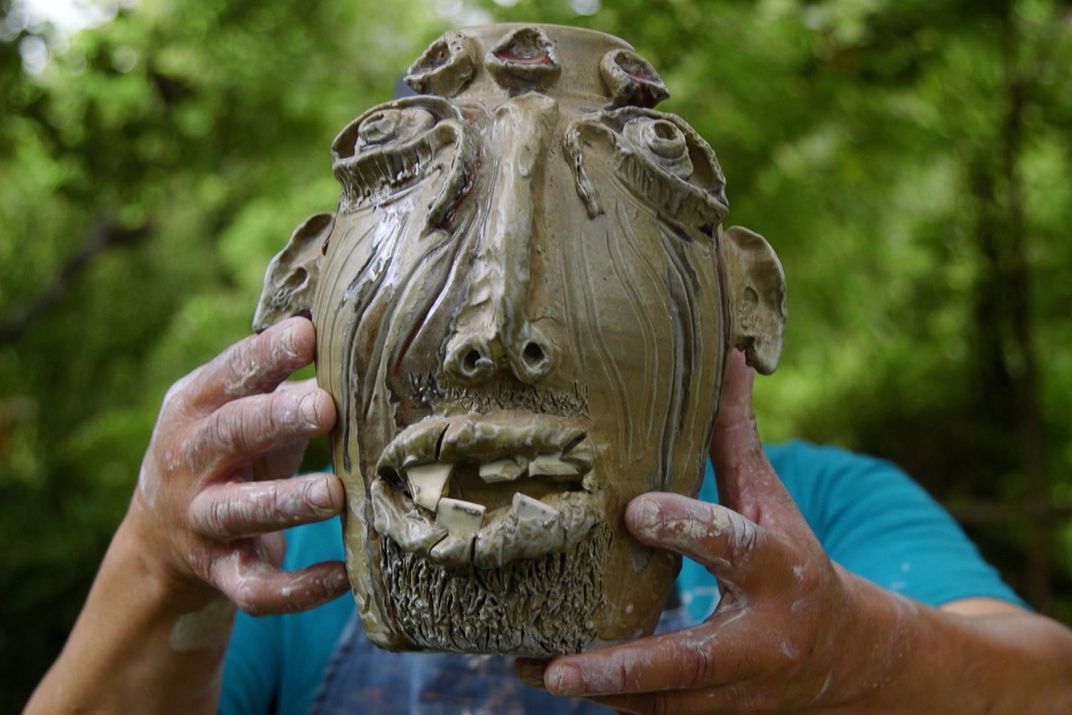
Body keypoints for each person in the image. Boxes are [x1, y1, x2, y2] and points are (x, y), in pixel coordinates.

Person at [24, 316, 1072, 714]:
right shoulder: (283, 553)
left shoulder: (830, 509)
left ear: (725, 296)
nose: (499, 319)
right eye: (435, 220)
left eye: (593, 232)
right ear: (315, 296)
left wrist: (857, 650)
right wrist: (157, 557)